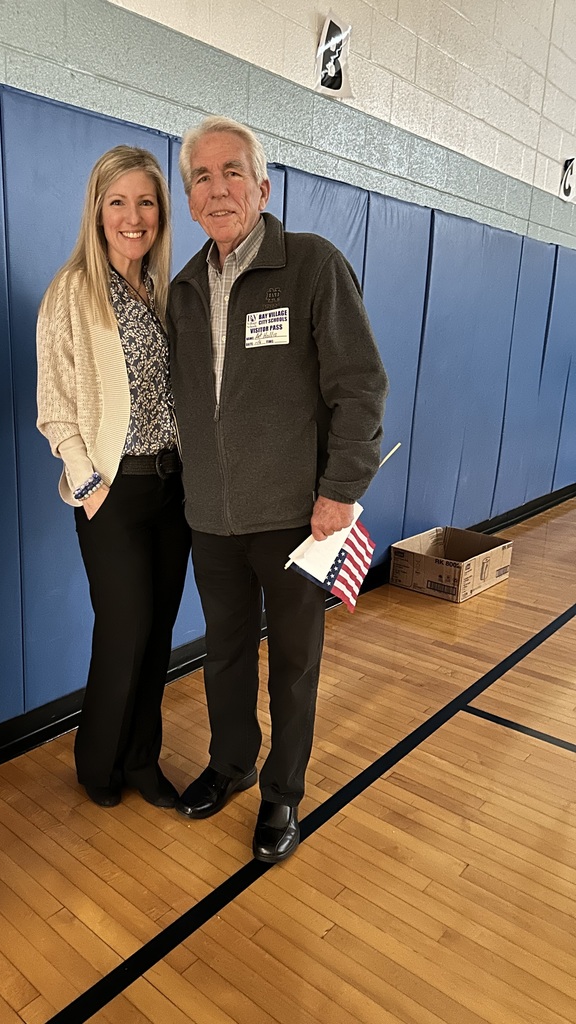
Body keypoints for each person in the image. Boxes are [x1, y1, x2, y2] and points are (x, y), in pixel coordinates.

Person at [168, 116, 388, 863]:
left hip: (301, 517)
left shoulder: (311, 266)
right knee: (223, 654)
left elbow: (360, 387)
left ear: (262, 187)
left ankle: (282, 792)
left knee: (293, 661)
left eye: (233, 173)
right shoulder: (187, 288)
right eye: (201, 176)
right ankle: (230, 765)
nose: (217, 188)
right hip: (214, 519)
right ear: (189, 196)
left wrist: (341, 490)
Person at [36, 146, 190, 809]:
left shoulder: (158, 292)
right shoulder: (73, 290)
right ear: (97, 212)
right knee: (124, 627)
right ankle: (97, 765)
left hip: (170, 487)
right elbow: (55, 406)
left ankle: (141, 760)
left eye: (146, 202)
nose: (133, 216)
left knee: (157, 631)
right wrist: (89, 486)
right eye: (118, 201)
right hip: (112, 491)